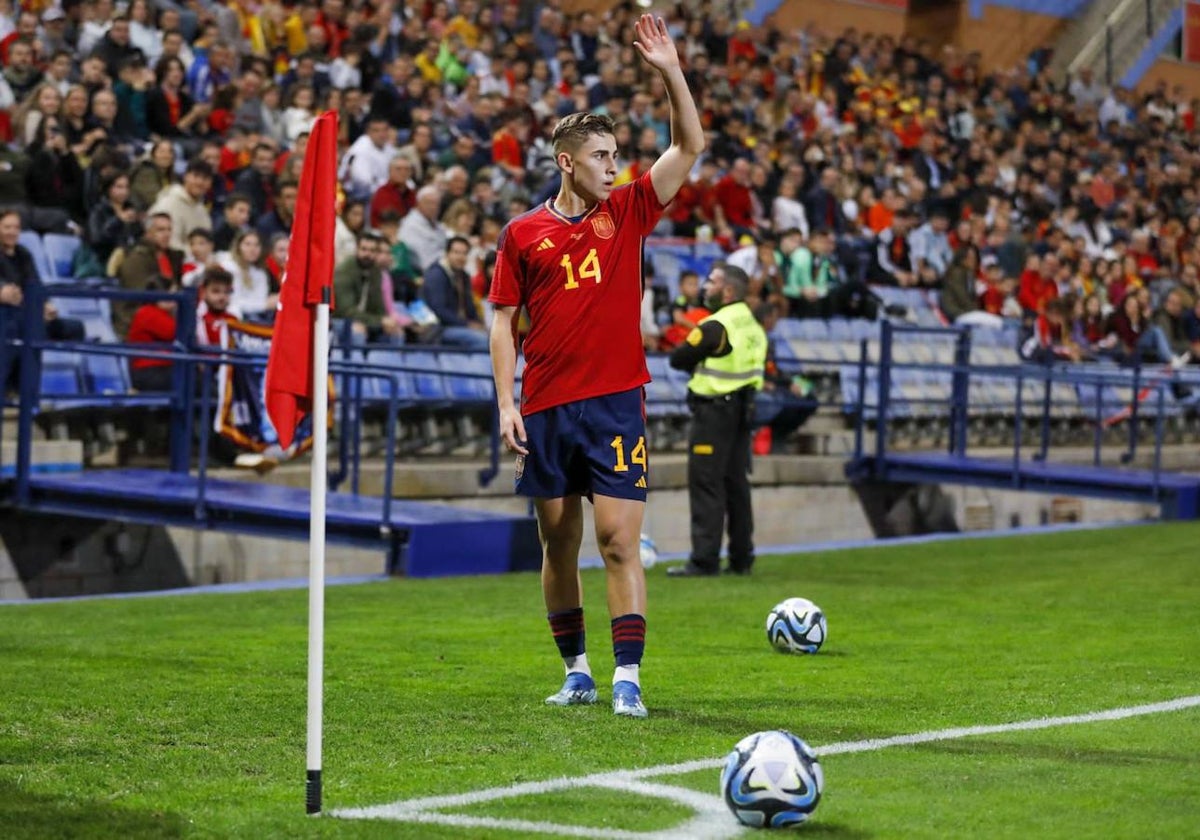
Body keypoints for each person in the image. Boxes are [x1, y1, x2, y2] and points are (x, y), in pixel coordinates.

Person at [487, 14, 703, 719]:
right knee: (558, 541)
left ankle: (628, 679)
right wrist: (506, 403)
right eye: (603, 156)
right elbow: (501, 324)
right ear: (567, 162)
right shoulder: (523, 234)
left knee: (617, 541)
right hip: (546, 404)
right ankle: (577, 670)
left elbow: (688, 144)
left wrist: (670, 70)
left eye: (617, 155)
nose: (616, 166)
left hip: (614, 402)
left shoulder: (633, 209)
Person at [665, 263, 767, 577]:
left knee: (706, 483)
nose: (704, 287)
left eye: (711, 282)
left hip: (713, 413)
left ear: (727, 291)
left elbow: (678, 358)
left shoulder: (716, 326)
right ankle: (741, 558)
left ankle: (704, 560)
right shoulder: (752, 325)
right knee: (736, 484)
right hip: (742, 411)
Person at [421, 235, 488, 349]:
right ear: (447, 254)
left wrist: (479, 324)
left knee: (495, 337)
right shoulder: (437, 274)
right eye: (456, 252)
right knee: (481, 340)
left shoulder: (464, 276)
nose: (461, 257)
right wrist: (467, 324)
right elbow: (438, 309)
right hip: (439, 328)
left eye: (464, 253)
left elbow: (470, 308)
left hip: (460, 326)